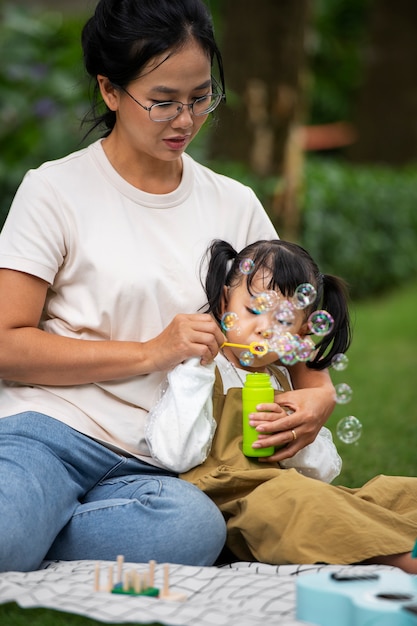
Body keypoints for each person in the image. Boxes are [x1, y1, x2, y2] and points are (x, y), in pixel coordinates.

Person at [0, 0, 336, 573]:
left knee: (193, 529)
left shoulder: (233, 203)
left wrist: (318, 396)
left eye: (201, 98)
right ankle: (27, 518)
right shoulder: (54, 191)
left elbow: (293, 326)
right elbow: (8, 344)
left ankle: (39, 528)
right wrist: (151, 352)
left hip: (160, 463)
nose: (184, 120)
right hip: (48, 432)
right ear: (110, 90)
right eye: (162, 102)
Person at [149, 239, 417, 573]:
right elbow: (175, 455)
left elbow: (322, 473)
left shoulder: (280, 378)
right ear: (223, 303)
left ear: (303, 333)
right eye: (253, 310)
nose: (263, 328)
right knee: (307, 504)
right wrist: (195, 374)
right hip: (235, 506)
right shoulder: (204, 369)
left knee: (393, 493)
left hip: (289, 492)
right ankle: (402, 559)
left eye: (282, 321)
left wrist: (292, 439)